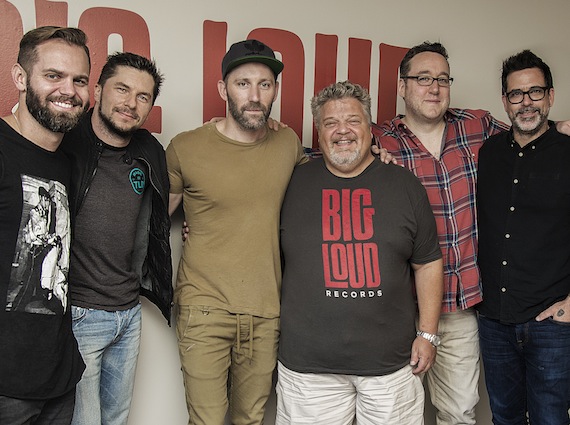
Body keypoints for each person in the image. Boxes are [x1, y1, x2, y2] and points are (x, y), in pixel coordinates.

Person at [276, 80, 443, 424]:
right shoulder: (290, 183)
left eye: (352, 121)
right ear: (318, 132)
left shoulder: (404, 185)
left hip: (391, 368)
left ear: (370, 128)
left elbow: (427, 263)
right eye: (330, 123)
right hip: (308, 370)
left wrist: (428, 333)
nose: (342, 131)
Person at [166, 39, 306, 425]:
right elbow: (154, 219)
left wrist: (379, 153)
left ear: (275, 90)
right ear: (222, 89)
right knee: (207, 420)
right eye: (243, 83)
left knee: (252, 420)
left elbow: (332, 178)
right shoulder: (186, 147)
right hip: (204, 307)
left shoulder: (289, 143)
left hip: (266, 310)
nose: (255, 95)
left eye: (264, 84)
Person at [60, 52, 172, 425]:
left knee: (118, 417)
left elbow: (158, 212)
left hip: (127, 312)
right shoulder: (65, 143)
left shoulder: (149, 151)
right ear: (98, 89)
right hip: (80, 311)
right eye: (122, 89)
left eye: (143, 97)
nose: (130, 103)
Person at [0, 26, 90, 424]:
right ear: (20, 78)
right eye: (53, 76)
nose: (68, 90)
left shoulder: (69, 160)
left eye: (80, 80)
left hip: (58, 380)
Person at [476, 50, 570, 425]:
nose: (526, 102)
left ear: (550, 96)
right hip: (493, 320)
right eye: (516, 94)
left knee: (551, 419)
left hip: (552, 323)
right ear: (504, 100)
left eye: (535, 92)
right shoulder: (487, 152)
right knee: (504, 417)